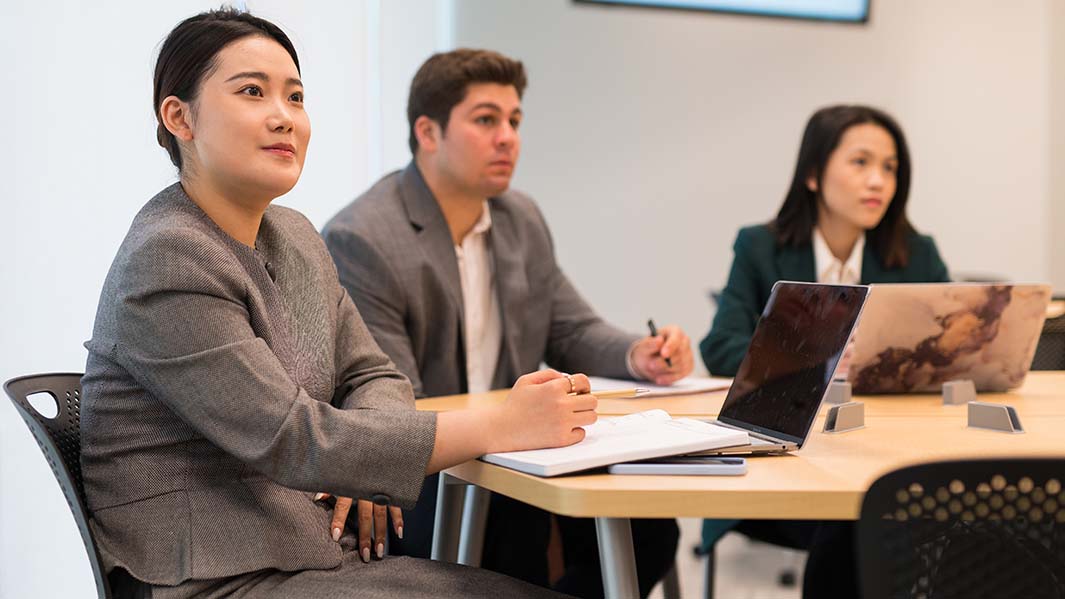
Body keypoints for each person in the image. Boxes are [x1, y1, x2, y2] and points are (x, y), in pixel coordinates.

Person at [80, 9, 595, 598]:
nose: (284, 117)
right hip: (221, 579)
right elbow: (294, 440)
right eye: (252, 91)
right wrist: (501, 424)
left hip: (316, 557)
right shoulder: (168, 256)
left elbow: (373, 372)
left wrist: (359, 466)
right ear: (180, 118)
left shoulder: (294, 236)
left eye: (295, 97)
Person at [322, 49, 692, 598]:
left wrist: (638, 353)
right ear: (428, 132)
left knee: (649, 534)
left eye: (514, 121)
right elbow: (392, 398)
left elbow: (572, 329)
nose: (508, 138)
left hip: (514, 452)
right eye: (486, 120)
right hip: (428, 467)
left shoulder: (521, 218)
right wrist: (504, 430)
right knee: (510, 531)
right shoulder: (364, 237)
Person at [698, 104, 951, 597]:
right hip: (783, 460)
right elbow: (721, 346)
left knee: (883, 517)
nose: (877, 180)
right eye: (860, 162)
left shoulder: (918, 253)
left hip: (885, 452)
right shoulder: (760, 247)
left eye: (890, 167)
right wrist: (818, 358)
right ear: (813, 174)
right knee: (858, 522)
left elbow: (945, 358)